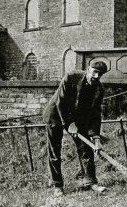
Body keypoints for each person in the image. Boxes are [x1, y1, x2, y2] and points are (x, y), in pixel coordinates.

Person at [42, 61, 108, 196]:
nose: (96, 76)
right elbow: (61, 102)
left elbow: (95, 114)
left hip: (78, 118)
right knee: (55, 150)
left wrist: (96, 138)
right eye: (94, 72)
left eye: (100, 74)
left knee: (86, 148)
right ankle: (57, 185)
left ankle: (90, 182)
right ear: (88, 69)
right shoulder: (71, 77)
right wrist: (69, 123)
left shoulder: (98, 90)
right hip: (56, 114)